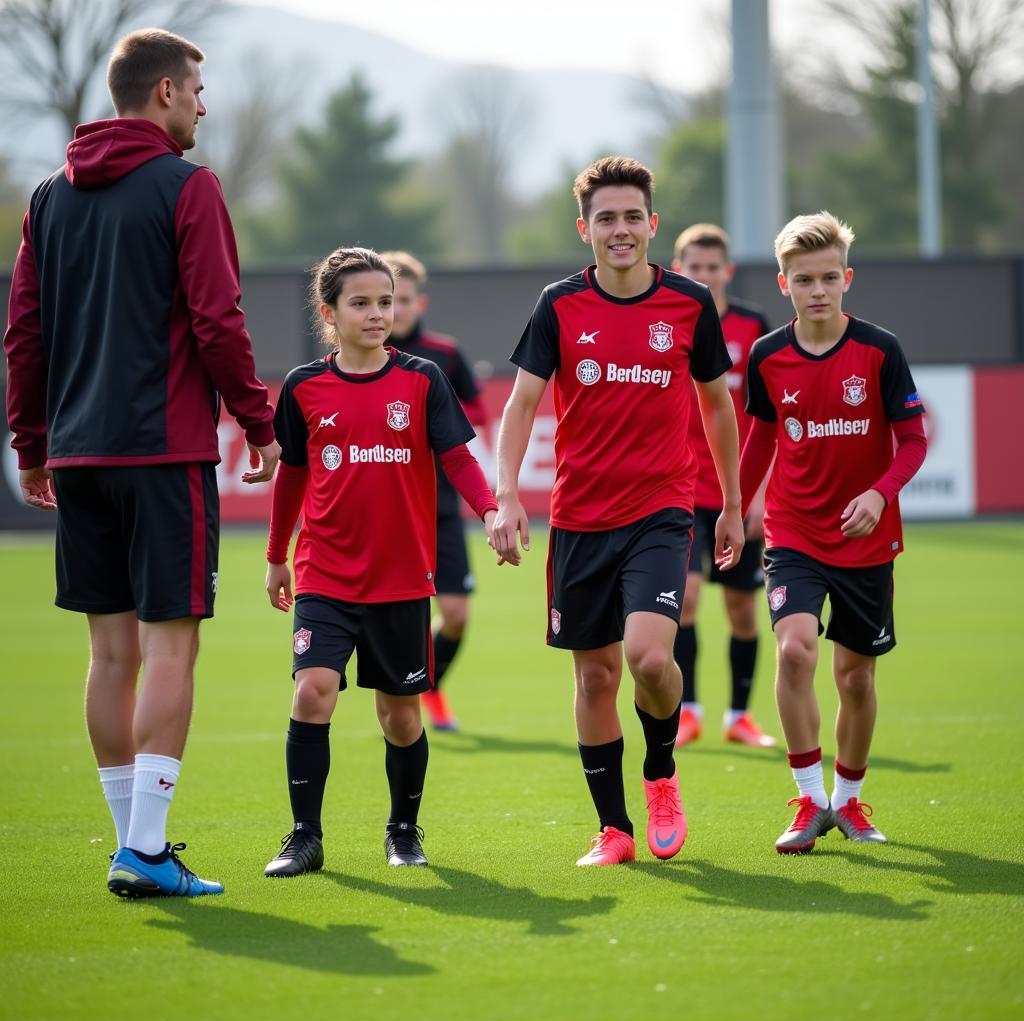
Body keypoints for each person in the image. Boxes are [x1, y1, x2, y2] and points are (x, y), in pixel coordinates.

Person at [2, 29, 279, 897]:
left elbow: (24, 334)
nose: (206, 103)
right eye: (198, 88)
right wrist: (258, 420)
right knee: (170, 653)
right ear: (163, 93)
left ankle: (135, 843)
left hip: (80, 456)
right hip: (164, 454)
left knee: (109, 656)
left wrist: (34, 445)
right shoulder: (188, 187)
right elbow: (217, 318)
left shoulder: (48, 196)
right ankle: (147, 850)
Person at [491, 156, 744, 867]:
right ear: (585, 229)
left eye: (633, 216)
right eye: (607, 218)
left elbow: (718, 406)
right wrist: (506, 494)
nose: (621, 229)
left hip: (662, 511)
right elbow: (520, 406)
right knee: (595, 676)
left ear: (653, 224)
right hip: (578, 519)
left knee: (648, 657)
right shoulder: (559, 305)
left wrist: (730, 501)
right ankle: (615, 829)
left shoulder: (689, 303)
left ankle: (661, 772)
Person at [262, 247, 498, 877]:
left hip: (399, 578)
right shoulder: (304, 385)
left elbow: (458, 459)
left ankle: (402, 832)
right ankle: (304, 837)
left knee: (398, 714)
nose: (375, 314)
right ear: (330, 312)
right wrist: (276, 554)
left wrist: (491, 511)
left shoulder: (422, 379)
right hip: (324, 574)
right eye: (360, 303)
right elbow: (291, 474)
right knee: (313, 693)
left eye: (385, 302)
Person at [738, 212, 927, 853]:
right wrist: (735, 510)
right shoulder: (767, 355)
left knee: (856, 678)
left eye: (827, 278)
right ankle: (808, 799)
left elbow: (913, 440)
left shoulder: (880, 350)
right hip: (793, 533)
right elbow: (759, 440)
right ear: (783, 285)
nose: (817, 290)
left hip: (865, 539)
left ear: (846, 279)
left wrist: (880, 493)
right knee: (794, 651)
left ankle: (848, 801)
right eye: (803, 280)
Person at [670, 224, 776, 749]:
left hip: (737, 491)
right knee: (684, 600)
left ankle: (739, 716)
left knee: (741, 609)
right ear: (678, 267)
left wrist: (756, 492)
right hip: (682, 492)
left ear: (727, 271)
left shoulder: (754, 325)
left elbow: (767, 416)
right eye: (694, 267)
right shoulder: (667, 318)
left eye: (713, 267)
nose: (705, 275)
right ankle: (689, 709)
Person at [380, 250, 488, 732]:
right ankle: (405, 700)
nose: (394, 310)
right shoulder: (361, 360)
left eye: (402, 300)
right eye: (387, 300)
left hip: (440, 507)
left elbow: (480, 416)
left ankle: (432, 685)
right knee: (400, 617)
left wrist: (438, 425)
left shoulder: (442, 355)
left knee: (457, 614)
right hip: (387, 511)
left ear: (419, 302)